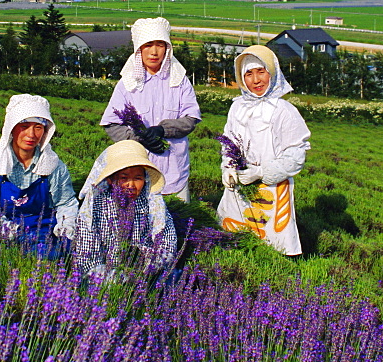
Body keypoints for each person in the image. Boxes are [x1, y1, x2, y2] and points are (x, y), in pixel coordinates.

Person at [217, 45, 310, 255]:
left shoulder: (284, 111)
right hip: (240, 185)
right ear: (241, 78)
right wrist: (229, 168)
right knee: (235, 238)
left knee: (272, 242)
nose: (256, 80)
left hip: (273, 187)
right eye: (249, 74)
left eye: (261, 71)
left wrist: (261, 172)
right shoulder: (237, 107)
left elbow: (296, 155)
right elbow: (229, 142)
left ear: (272, 72)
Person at [100, 17, 201, 202]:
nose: (154, 52)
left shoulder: (179, 81)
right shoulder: (128, 84)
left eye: (160, 45)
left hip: (174, 168)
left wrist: (163, 130)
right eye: (148, 45)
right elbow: (111, 124)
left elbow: (191, 118)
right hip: (137, 172)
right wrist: (140, 139)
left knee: (179, 222)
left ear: (167, 48)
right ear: (139, 49)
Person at [0, 94, 78, 259]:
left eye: (38, 127)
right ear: (11, 127)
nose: (31, 134)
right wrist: (15, 234)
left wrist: (65, 233)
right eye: (24, 126)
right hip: (4, 231)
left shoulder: (53, 164)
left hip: (44, 231)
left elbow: (66, 204)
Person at [73, 140, 178, 282]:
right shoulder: (95, 206)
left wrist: (148, 268)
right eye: (124, 178)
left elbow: (167, 242)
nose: (131, 185)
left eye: (138, 178)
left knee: (173, 277)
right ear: (110, 179)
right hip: (104, 276)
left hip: (146, 272)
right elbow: (87, 256)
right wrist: (117, 278)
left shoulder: (153, 204)